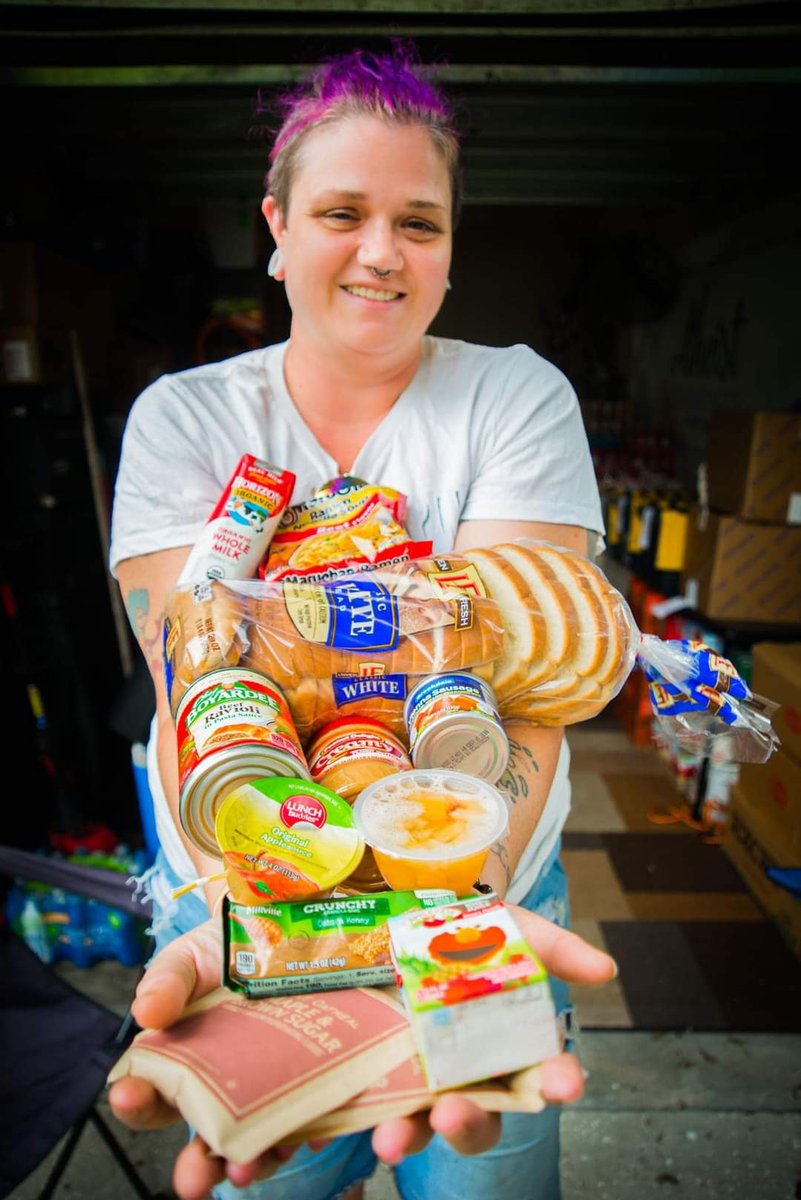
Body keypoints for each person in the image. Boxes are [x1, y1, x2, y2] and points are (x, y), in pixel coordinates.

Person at [108, 42, 614, 1200]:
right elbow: (205, 682)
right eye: (343, 212)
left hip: (478, 887)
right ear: (275, 228)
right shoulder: (185, 419)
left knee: (486, 1174)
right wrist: (280, 918)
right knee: (265, 1171)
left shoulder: (514, 397)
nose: (382, 253)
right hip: (249, 887)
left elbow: (512, 704)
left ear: (449, 250)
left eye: (419, 223)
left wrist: (453, 900)